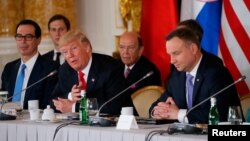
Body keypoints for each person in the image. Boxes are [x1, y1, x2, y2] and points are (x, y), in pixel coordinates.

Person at [149, 28, 242, 124]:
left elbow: (220, 114)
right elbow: (159, 103)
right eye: (170, 55)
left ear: (193, 49)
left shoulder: (216, 73)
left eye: (176, 53)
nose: (172, 61)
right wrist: (157, 112)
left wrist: (179, 114)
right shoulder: (177, 75)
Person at [51, 30, 126, 115]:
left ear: (87, 48)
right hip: (78, 125)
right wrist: (71, 96)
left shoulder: (110, 67)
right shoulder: (65, 69)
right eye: (65, 52)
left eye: (74, 48)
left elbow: (114, 106)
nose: (70, 55)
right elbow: (52, 101)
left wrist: (75, 107)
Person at [1, 19, 58, 109]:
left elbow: (50, 104)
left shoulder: (51, 69)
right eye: (19, 36)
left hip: (34, 121)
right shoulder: (9, 68)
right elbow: (3, 98)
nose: (23, 41)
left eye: (28, 37)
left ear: (38, 40)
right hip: (9, 120)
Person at [118, 31, 162, 115]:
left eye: (130, 48)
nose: (125, 52)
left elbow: (148, 101)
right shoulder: (114, 66)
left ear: (140, 50)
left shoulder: (150, 72)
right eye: (122, 47)